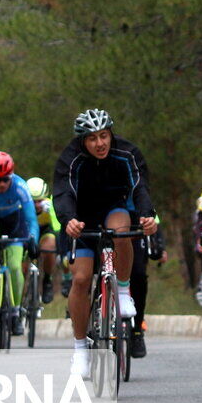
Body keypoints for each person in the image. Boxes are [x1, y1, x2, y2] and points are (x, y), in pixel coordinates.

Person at [53, 109, 158, 377]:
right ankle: (79, 349)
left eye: (104, 136)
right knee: (81, 279)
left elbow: (140, 187)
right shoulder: (71, 159)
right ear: (82, 141)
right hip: (82, 219)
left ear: (111, 134)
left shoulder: (127, 152)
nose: (99, 144)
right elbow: (64, 193)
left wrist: (148, 215)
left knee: (121, 229)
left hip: (115, 209)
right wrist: (69, 220)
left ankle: (122, 292)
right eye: (92, 139)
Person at [0, 152, 39, 336]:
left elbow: (31, 219)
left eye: (6, 179)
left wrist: (33, 238)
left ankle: (15, 313)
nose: (2, 184)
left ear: (11, 176)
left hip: (14, 222)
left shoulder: (20, 186)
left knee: (14, 266)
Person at [128, 215, 166, 359]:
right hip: (102, 222)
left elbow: (153, 218)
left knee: (139, 274)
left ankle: (137, 329)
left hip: (134, 229)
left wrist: (160, 248)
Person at [25, 176, 61, 304]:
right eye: (32, 201)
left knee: (49, 247)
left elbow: (57, 227)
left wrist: (51, 211)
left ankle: (47, 280)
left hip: (46, 231)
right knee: (21, 264)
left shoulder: (50, 205)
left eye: (39, 201)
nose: (36, 205)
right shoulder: (22, 205)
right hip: (27, 233)